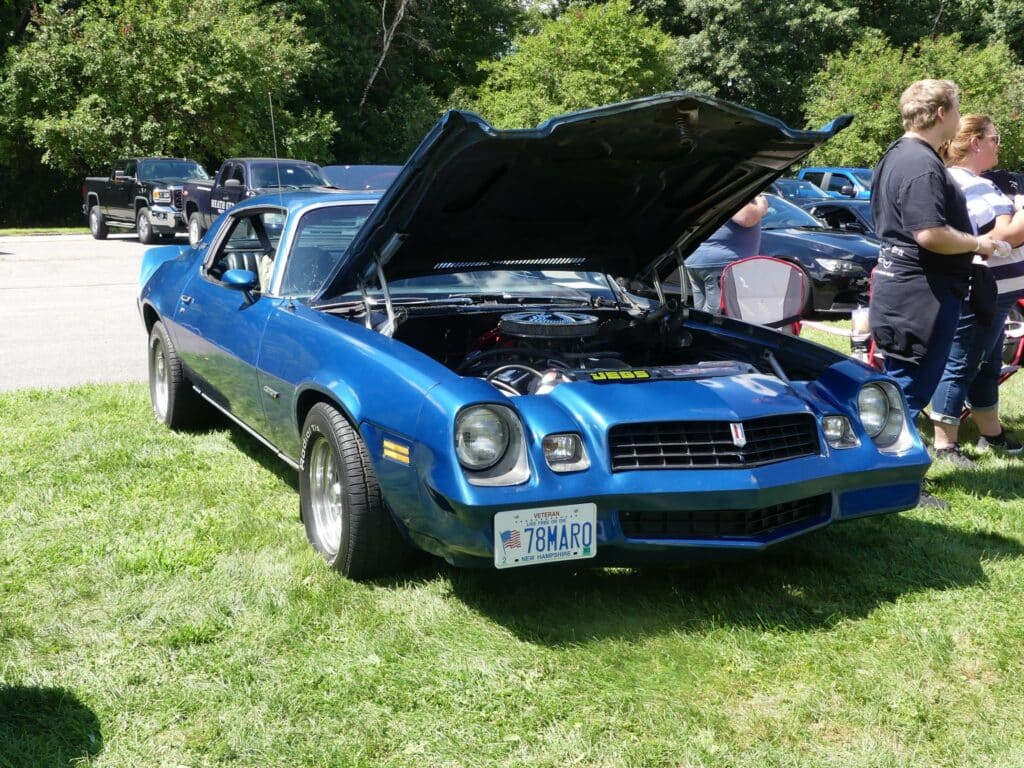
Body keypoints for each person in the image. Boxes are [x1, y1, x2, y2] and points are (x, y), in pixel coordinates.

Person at [869, 80, 1010, 420]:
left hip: (902, 289)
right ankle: (888, 470)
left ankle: (889, 466)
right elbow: (930, 233)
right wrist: (980, 243)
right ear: (942, 113)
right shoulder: (921, 163)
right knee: (907, 393)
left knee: (899, 386)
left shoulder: (896, 154)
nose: (959, 117)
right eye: (957, 109)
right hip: (922, 297)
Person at [929, 115, 1024, 465]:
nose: (999, 145)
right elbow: (1007, 236)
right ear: (975, 142)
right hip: (982, 290)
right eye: (995, 138)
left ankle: (991, 434)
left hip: (994, 293)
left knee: (985, 364)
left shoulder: (969, 181)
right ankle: (944, 444)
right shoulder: (969, 183)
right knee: (963, 361)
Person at [685, 194, 770, 313]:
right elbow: (745, 217)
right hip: (719, 264)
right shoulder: (737, 191)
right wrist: (762, 205)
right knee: (715, 316)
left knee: (701, 314)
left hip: (700, 260)